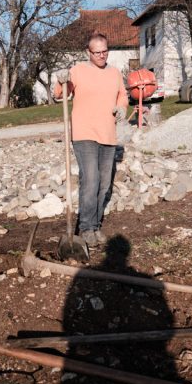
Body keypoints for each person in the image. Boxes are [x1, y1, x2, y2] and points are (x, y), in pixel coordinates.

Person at [54, 31, 128, 247]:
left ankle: (95, 227)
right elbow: (60, 94)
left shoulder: (114, 73)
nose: (102, 56)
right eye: (97, 53)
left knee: (105, 183)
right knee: (91, 179)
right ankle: (86, 227)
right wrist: (61, 80)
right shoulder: (77, 71)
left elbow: (122, 95)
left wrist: (122, 107)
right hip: (84, 133)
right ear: (88, 52)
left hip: (108, 134)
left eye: (105, 52)